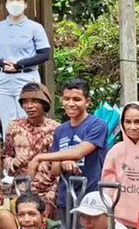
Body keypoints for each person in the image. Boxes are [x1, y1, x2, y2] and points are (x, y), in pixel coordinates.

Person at [31, 79, 109, 214]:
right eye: (66, 99)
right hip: (65, 198)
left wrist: (39, 157)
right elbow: (55, 170)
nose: (71, 104)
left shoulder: (97, 125)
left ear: (88, 102)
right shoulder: (60, 130)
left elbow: (78, 153)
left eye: (77, 99)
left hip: (90, 198)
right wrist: (63, 162)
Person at [0, 0, 51, 123]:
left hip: (27, 77)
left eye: (18, 0)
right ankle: (9, 144)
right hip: (3, 79)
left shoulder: (35, 28)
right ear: (6, 3)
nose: (14, 3)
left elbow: (44, 54)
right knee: (7, 121)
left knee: (28, 119)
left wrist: (19, 65)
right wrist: (2, 63)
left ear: (25, 4)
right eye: (11, 0)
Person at [5, 83, 60, 214]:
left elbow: (60, 165)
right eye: (25, 102)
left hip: (46, 194)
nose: (29, 106)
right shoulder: (14, 127)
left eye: (35, 101)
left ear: (44, 103)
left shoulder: (56, 129)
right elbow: (6, 155)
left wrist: (52, 197)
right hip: (20, 192)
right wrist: (12, 163)